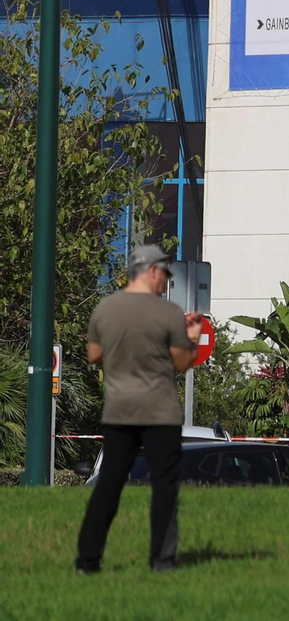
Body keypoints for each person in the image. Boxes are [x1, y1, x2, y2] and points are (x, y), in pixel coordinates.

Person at [75, 244, 204, 574]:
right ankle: (162, 561)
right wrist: (192, 336)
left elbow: (93, 354)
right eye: (164, 276)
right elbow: (182, 362)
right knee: (164, 489)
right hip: (160, 413)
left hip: (119, 411)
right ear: (152, 271)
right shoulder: (168, 314)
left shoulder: (106, 308)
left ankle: (87, 561)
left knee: (108, 486)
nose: (165, 283)